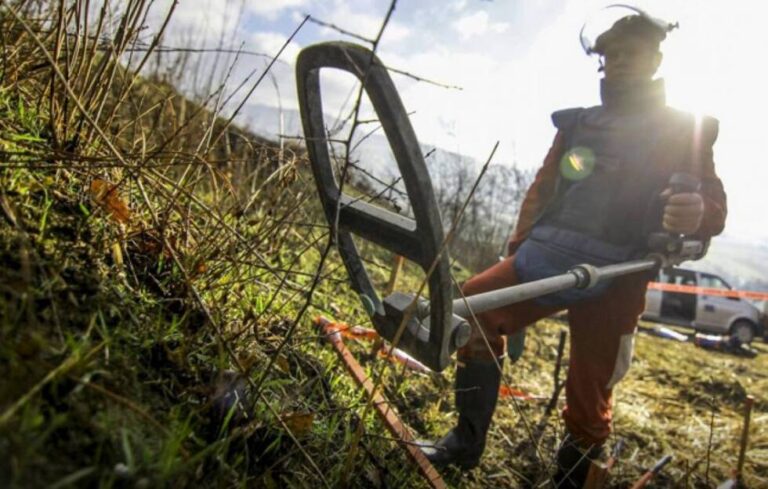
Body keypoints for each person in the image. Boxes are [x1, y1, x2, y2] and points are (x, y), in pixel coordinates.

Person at [420, 9, 727, 488]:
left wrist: (698, 211)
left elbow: (714, 207)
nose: (618, 61)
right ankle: (465, 442)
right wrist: (518, 248)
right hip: (547, 254)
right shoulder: (579, 124)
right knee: (475, 306)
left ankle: (571, 478)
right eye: (610, 54)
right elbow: (543, 190)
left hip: (620, 272)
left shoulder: (685, 130)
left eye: (630, 52)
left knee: (590, 390)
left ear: (655, 58)